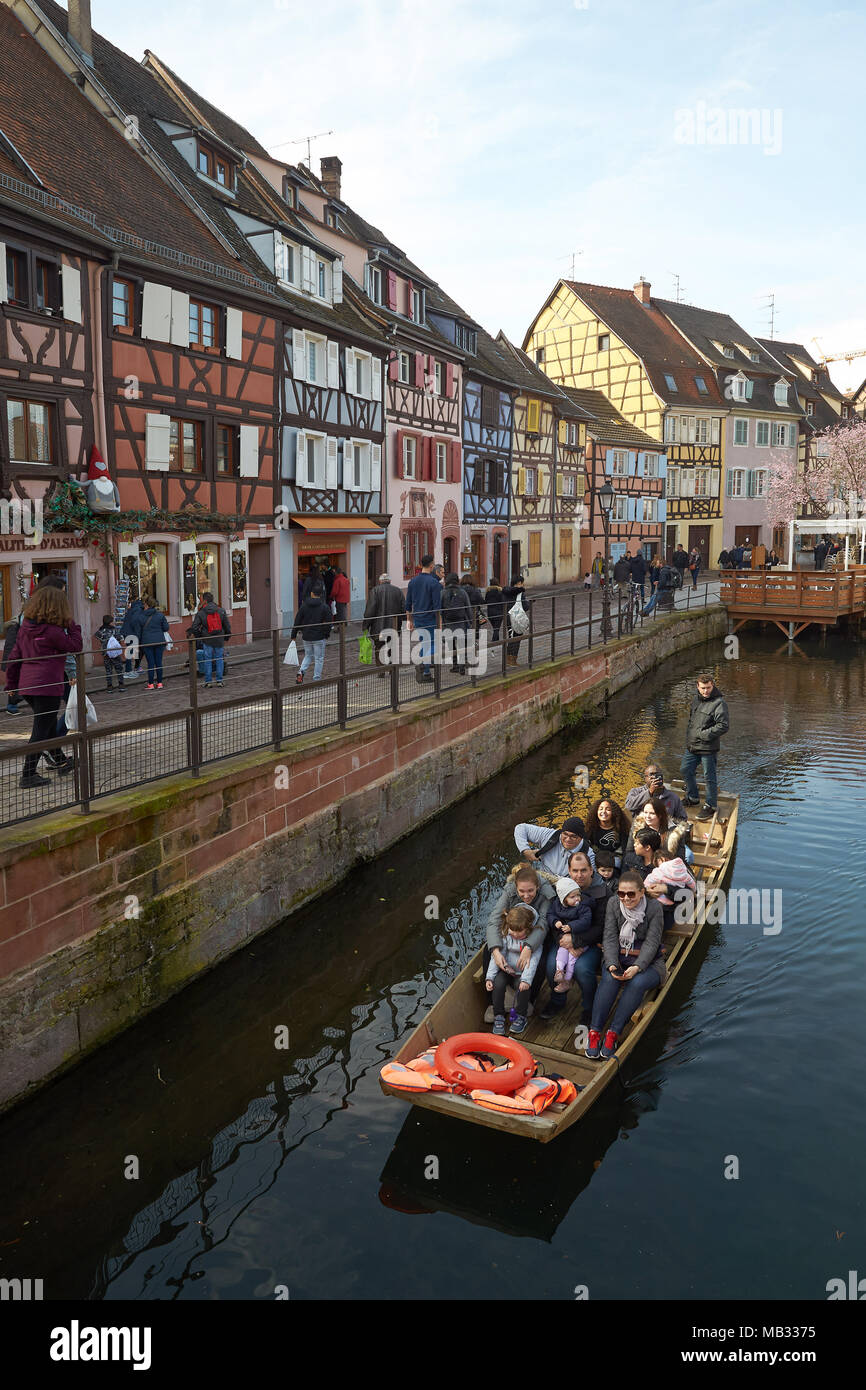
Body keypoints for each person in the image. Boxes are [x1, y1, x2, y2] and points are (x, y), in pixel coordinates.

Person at [4, 584, 81, 788]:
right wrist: (72, 625)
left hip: (27, 686)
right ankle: (28, 775)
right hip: (47, 684)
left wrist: (11, 684)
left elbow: (14, 657)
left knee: (45, 726)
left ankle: (62, 761)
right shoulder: (53, 631)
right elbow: (75, 646)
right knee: (40, 731)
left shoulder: (25, 629)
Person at [585, 871, 666, 1060]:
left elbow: (652, 943)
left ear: (641, 892)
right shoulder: (614, 903)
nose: (626, 898)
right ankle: (595, 1031)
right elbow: (610, 936)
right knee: (609, 978)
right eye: (621, 893)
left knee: (636, 983)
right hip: (619, 955)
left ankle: (613, 1032)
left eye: (631, 894)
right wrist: (612, 964)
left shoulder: (654, 908)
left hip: (649, 961)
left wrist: (638, 967)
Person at [537, 848, 613, 1022]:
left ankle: (589, 1007)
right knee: (551, 966)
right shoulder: (563, 888)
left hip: (592, 943)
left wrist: (576, 941)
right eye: (575, 871)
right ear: (569, 871)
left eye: (584, 870)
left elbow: (602, 927)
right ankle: (557, 1000)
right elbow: (553, 918)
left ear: (591, 870)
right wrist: (564, 940)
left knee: (583, 970)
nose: (579, 875)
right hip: (564, 939)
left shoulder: (604, 894)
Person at [486, 904, 543, 1037]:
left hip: (522, 973)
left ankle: (521, 1015)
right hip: (506, 970)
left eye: (519, 931)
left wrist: (526, 980)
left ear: (528, 929)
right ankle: (498, 1015)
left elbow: (532, 962)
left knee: (522, 988)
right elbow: (496, 957)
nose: (515, 934)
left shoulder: (535, 942)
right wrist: (489, 977)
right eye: (513, 930)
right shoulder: (506, 935)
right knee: (497, 983)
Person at [681, 673, 730, 816]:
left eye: (708, 688)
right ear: (698, 687)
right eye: (702, 688)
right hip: (693, 745)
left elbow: (723, 725)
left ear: (712, 686)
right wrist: (690, 738)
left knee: (709, 777)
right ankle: (693, 797)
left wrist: (703, 735)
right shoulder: (696, 699)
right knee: (685, 769)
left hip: (708, 747)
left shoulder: (719, 703)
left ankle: (710, 806)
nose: (705, 691)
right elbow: (692, 721)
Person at [546, 877, 593, 1002]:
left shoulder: (583, 906)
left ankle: (567, 979)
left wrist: (572, 926)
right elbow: (550, 915)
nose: (577, 898)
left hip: (580, 939)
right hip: (564, 941)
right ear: (563, 899)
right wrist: (555, 921)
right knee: (561, 953)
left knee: (572, 959)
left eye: (578, 895)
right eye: (572, 897)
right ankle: (559, 971)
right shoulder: (556, 905)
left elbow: (586, 921)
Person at [514, 815, 596, 878]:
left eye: (573, 836)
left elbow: (590, 878)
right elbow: (521, 828)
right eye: (565, 834)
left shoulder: (588, 855)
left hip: (568, 888)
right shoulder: (549, 835)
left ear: (581, 838)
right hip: (542, 879)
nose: (568, 839)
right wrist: (525, 850)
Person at [405, 554, 441, 684]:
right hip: (430, 618)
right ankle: (422, 666)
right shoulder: (434, 583)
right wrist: (440, 623)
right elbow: (438, 607)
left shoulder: (413, 581)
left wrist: (409, 620)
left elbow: (408, 604)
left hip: (418, 617)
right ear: (431, 565)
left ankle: (425, 671)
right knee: (432, 644)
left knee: (424, 643)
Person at [362, 573, 406, 675]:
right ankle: (392, 669)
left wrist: (366, 625)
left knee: (379, 648)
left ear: (380, 581)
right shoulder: (398, 591)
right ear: (390, 581)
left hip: (378, 627)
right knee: (391, 647)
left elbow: (370, 611)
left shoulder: (375, 591)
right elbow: (403, 610)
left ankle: (381, 671)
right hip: (394, 626)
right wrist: (403, 624)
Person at [644, 848, 696, 932]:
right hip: (667, 908)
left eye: (658, 864)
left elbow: (648, 881)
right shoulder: (682, 870)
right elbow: (692, 884)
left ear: (662, 859)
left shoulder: (659, 871)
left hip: (665, 907)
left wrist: (665, 888)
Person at [291, 582, 332, 684]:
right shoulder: (324, 607)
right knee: (319, 658)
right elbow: (329, 622)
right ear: (320, 595)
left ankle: (301, 672)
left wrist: (293, 635)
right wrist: (326, 634)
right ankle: (316, 679)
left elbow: (297, 620)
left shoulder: (304, 606)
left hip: (307, 636)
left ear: (312, 593)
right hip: (319, 636)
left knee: (308, 655)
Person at [628, 796, 691, 863]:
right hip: (640, 865)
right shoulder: (637, 826)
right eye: (645, 812)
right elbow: (629, 851)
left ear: (660, 815)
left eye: (652, 813)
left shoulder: (675, 832)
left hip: (666, 867)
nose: (647, 816)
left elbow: (679, 858)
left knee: (689, 855)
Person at [191, 591, 231, 688]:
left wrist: (201, 636)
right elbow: (227, 626)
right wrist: (226, 637)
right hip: (219, 639)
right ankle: (219, 680)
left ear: (205, 601)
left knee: (207, 660)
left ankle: (208, 681)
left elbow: (194, 627)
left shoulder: (201, 613)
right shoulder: (221, 610)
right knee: (219, 659)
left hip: (207, 639)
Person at [585, 797, 631, 870]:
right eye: (601, 809)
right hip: (596, 858)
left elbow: (625, 850)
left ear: (614, 812)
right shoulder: (591, 827)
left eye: (608, 809)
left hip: (614, 859)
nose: (604, 812)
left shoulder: (621, 828)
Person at [441, 572, 473, 672]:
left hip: (448, 623)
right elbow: (468, 608)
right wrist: (470, 621)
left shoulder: (443, 592)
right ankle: (462, 666)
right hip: (461, 622)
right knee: (462, 645)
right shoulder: (462, 592)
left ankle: (455, 665)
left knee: (451, 645)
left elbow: (440, 608)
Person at [139, 601, 170, 689]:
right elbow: (166, 628)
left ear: (147, 605)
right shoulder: (160, 615)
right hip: (159, 641)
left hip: (147, 642)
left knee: (151, 664)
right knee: (159, 662)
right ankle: (160, 683)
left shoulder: (141, 616)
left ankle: (151, 684)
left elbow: (139, 630)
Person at [502, 574, 529, 667]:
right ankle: (513, 659)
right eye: (522, 583)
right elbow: (525, 606)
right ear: (519, 583)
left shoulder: (505, 591)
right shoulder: (520, 593)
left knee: (511, 636)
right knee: (517, 637)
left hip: (507, 616)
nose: (523, 585)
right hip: (517, 618)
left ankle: (508, 659)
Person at [95, 613, 125, 691]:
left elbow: (97, 637)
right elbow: (121, 638)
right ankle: (121, 685)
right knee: (119, 668)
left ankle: (109, 686)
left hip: (106, 653)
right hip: (114, 652)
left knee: (108, 670)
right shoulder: (114, 630)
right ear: (110, 621)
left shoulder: (100, 631)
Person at [120, 595, 145, 679]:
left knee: (132, 651)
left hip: (127, 631)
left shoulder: (132, 609)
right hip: (131, 633)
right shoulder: (138, 610)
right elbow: (135, 622)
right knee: (130, 653)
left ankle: (135, 668)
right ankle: (128, 671)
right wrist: (138, 634)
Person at [2, 614, 22, 714]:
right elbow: (14, 645)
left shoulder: (13, 625)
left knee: (14, 681)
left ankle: (12, 705)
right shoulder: (16, 627)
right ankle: (12, 705)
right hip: (13, 658)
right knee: (15, 681)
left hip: (12, 657)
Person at [484, 577, 506, 641]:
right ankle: (494, 641)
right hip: (499, 613)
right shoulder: (500, 591)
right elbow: (503, 601)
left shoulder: (488, 592)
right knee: (496, 628)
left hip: (490, 613)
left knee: (495, 628)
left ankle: (497, 640)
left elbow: (486, 601)